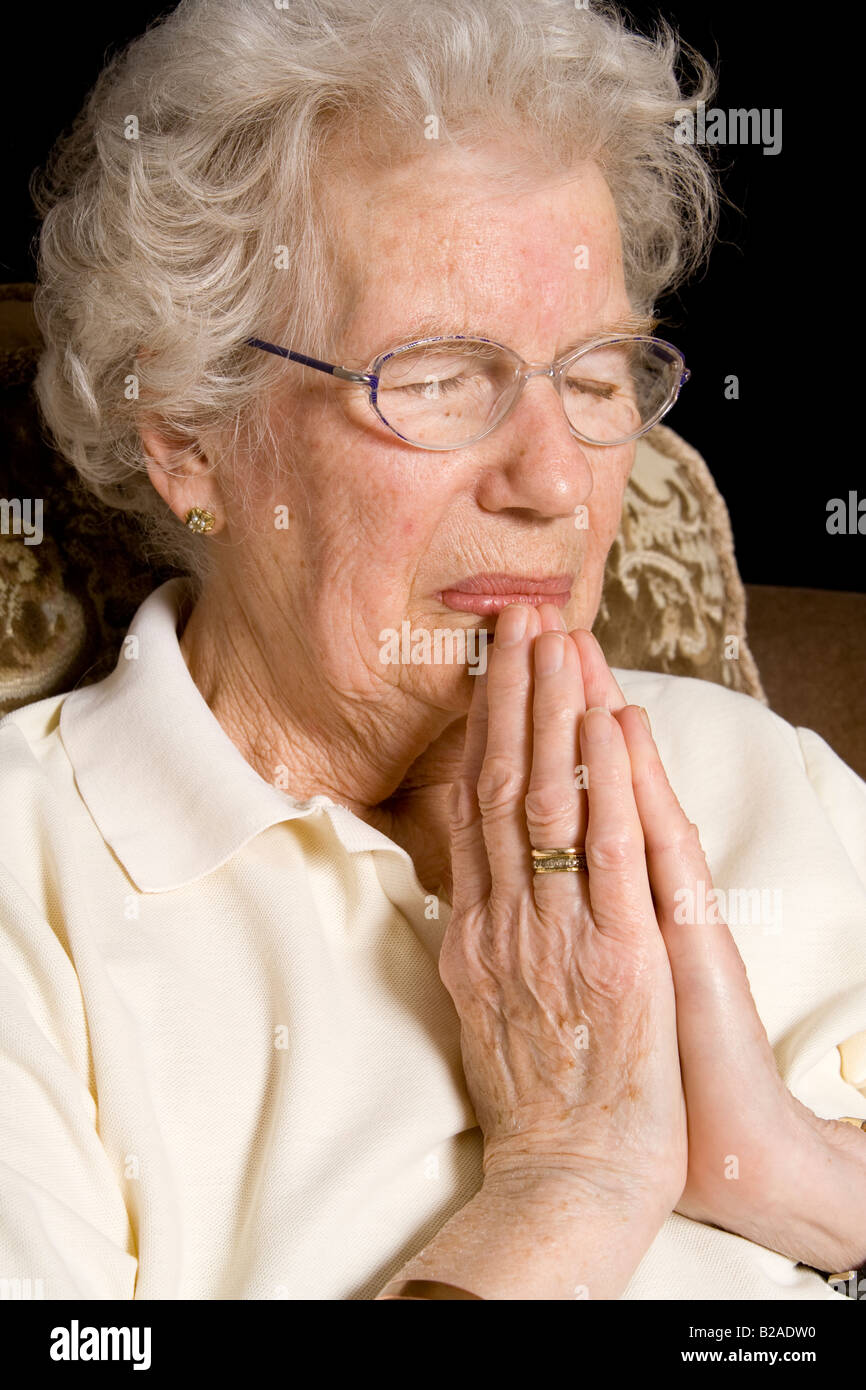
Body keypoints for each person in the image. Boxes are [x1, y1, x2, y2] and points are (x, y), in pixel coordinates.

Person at [1, 0, 864, 1301]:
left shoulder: (759, 779)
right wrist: (569, 1176)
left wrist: (784, 1162)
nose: (555, 483)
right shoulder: (35, 897)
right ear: (187, 432)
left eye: (592, 376)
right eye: (440, 376)